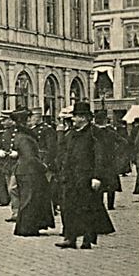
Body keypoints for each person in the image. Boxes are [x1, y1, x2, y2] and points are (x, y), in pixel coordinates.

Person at [56, 102, 115, 249]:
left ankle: (87, 240)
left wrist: (97, 176)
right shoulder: (71, 134)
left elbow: (100, 156)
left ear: (83, 117)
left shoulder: (95, 133)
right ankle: (70, 238)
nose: (73, 120)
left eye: (75, 117)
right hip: (70, 178)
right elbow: (64, 154)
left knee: (88, 208)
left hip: (87, 178)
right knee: (69, 208)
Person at [5, 109, 55, 237]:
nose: (31, 120)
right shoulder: (25, 137)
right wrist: (43, 167)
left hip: (25, 170)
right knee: (30, 200)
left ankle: (27, 226)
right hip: (30, 171)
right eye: (29, 118)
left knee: (28, 199)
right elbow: (30, 157)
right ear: (25, 121)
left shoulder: (21, 135)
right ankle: (28, 228)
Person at [93, 110, 128, 210]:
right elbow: (123, 143)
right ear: (105, 120)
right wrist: (116, 153)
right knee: (110, 185)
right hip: (110, 161)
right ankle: (110, 205)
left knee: (98, 183)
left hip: (97, 160)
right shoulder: (110, 133)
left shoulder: (93, 133)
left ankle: (99, 204)